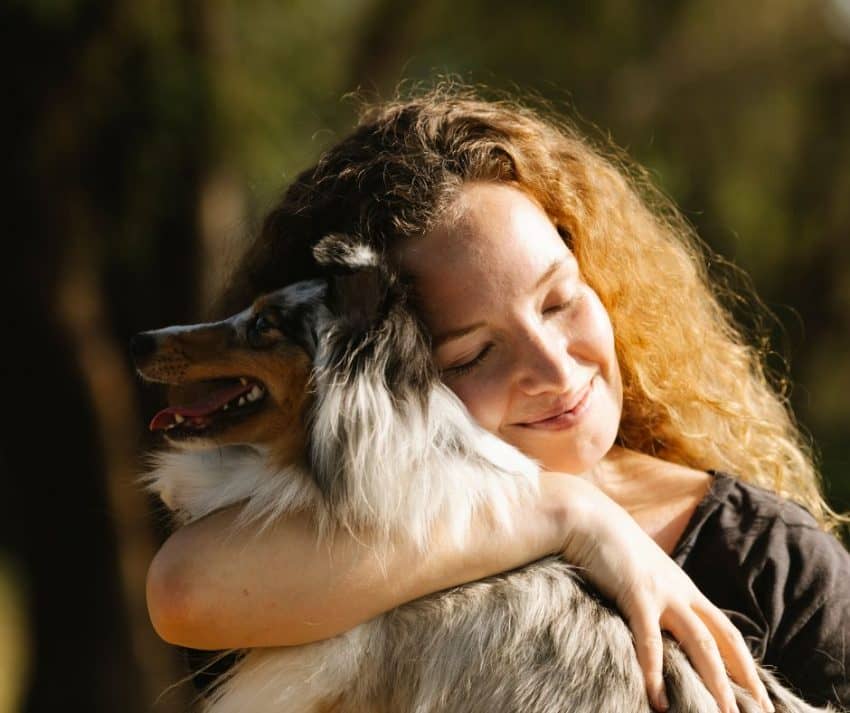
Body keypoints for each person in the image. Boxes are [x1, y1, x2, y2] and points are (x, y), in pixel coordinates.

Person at [145, 87, 850, 712]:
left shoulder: (773, 562)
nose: (551, 366)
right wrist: (568, 513)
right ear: (386, 388)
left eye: (560, 300)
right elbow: (186, 589)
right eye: (474, 353)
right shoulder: (318, 558)